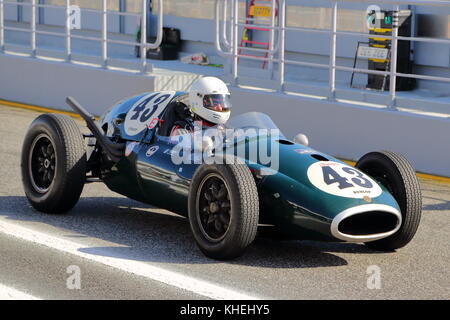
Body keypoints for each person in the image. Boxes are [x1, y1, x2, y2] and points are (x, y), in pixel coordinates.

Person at [158, 77, 232, 136]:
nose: (220, 107)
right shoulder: (183, 131)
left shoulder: (225, 129)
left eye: (222, 102)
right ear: (198, 101)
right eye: (214, 103)